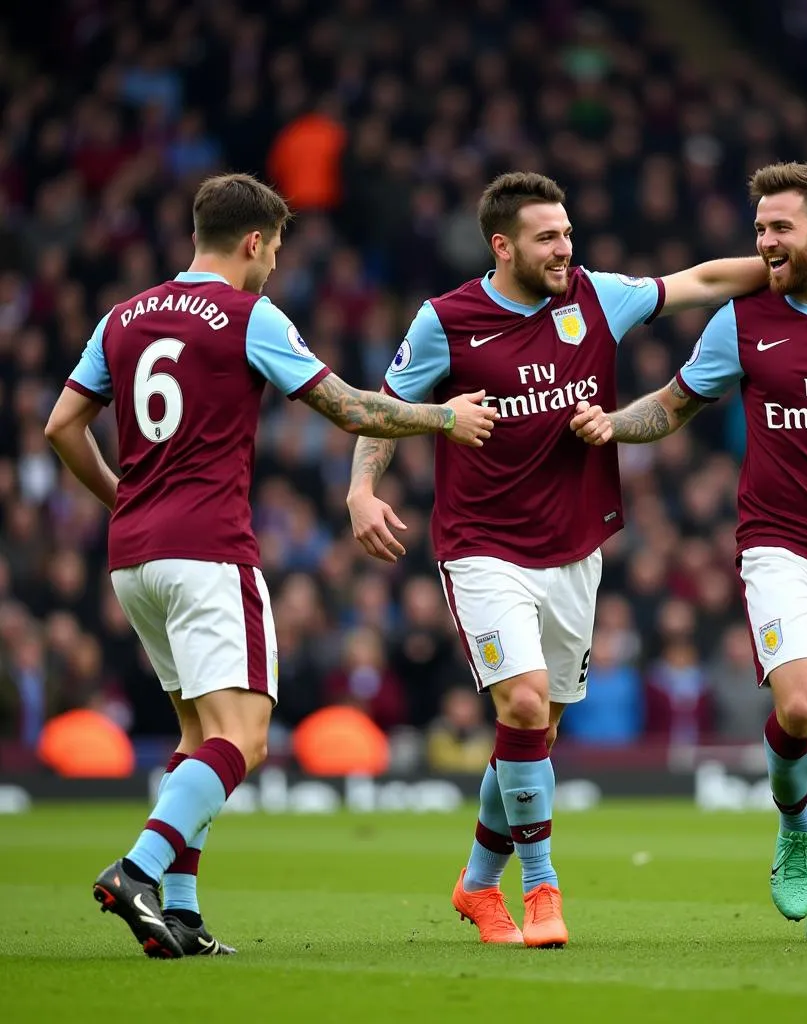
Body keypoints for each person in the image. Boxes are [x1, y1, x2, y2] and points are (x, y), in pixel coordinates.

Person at [346, 170, 807, 948]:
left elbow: (699, 280)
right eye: (547, 238)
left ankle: (475, 884)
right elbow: (386, 406)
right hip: (481, 545)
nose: (566, 248)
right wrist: (363, 489)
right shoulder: (446, 321)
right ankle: (542, 891)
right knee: (524, 705)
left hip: (573, 548)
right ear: (503, 246)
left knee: (536, 728)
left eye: (567, 233)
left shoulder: (598, 295)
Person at [44, 172, 496, 959]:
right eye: (276, 248)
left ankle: (178, 915)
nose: (276, 265)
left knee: (197, 736)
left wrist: (122, 497)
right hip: (209, 549)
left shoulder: (122, 317)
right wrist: (441, 416)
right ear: (254, 241)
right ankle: (139, 869)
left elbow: (60, 426)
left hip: (134, 557)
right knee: (246, 740)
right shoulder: (248, 315)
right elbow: (350, 407)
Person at [570, 162, 807, 944]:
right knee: (801, 705)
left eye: (779, 228)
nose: (765, 242)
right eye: (758, 230)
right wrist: (616, 423)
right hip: (778, 547)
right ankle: (792, 820)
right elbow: (678, 404)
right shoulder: (744, 320)